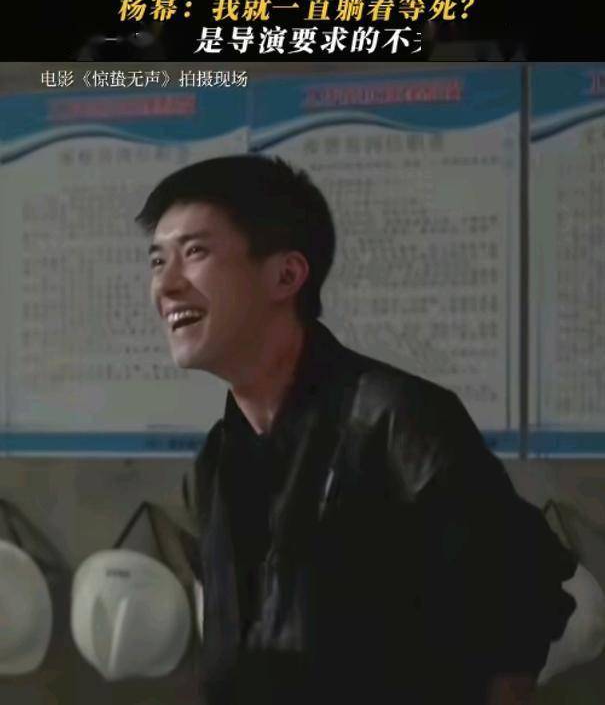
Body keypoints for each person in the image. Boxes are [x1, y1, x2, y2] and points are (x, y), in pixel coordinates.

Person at [137, 154, 577, 705]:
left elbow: (525, 591)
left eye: (195, 252)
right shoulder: (218, 457)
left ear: (286, 275)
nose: (166, 285)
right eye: (158, 260)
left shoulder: (394, 419)